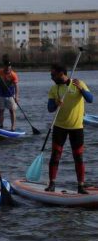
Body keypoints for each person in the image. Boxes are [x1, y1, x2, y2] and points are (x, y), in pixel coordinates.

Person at [45, 64, 93, 194]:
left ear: (61, 74)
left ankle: (81, 186)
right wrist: (55, 103)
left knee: (78, 157)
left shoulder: (78, 83)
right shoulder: (54, 89)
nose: (51, 77)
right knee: (55, 156)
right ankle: (52, 184)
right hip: (60, 126)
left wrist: (81, 89)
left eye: (53, 75)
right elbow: (50, 108)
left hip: (76, 127)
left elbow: (90, 99)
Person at [0, 55, 19, 131]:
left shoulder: (13, 75)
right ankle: (1, 126)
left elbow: (16, 86)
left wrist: (16, 96)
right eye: (6, 67)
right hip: (1, 95)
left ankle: (13, 127)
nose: (8, 68)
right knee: (1, 111)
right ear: (4, 66)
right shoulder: (0, 71)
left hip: (10, 95)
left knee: (12, 111)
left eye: (9, 66)